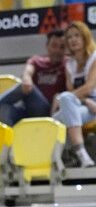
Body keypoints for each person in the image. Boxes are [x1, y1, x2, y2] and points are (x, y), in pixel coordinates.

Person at [0, 30, 66, 128]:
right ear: (47, 46)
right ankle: (6, 145)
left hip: (49, 112)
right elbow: (27, 72)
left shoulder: (68, 65)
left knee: (27, 86)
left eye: (62, 47)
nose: (57, 50)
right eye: (54, 46)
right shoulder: (36, 61)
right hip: (27, 110)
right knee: (5, 108)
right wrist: (26, 79)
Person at [52, 21, 96, 168]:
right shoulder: (69, 64)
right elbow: (71, 91)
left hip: (94, 105)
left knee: (63, 99)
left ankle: (75, 154)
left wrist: (68, 98)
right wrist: (84, 101)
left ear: (85, 37)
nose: (73, 40)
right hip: (83, 105)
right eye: (69, 37)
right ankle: (78, 156)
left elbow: (90, 87)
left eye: (77, 35)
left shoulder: (94, 57)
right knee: (52, 121)